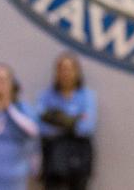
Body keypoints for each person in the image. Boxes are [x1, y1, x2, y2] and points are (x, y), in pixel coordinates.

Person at [37, 53, 97, 190]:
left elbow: (86, 127)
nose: (66, 73)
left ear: (77, 72)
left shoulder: (87, 96)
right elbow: (42, 127)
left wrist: (55, 118)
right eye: (62, 69)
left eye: (69, 69)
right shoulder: (46, 95)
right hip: (52, 156)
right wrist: (72, 120)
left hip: (79, 155)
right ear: (57, 72)